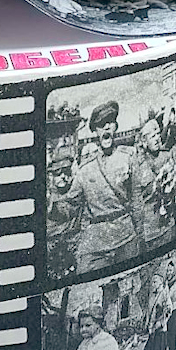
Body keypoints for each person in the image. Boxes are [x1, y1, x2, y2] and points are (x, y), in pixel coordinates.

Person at [55, 101, 144, 274]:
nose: (106, 128)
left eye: (110, 123)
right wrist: (52, 206)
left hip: (125, 237)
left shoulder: (127, 157)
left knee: (130, 282)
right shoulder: (85, 168)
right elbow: (71, 206)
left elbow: (136, 199)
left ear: (115, 127)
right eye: (101, 125)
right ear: (95, 131)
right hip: (96, 242)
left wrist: (140, 235)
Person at [46, 103, 84, 282]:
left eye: (66, 171)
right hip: (50, 244)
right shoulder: (47, 190)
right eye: (57, 173)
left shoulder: (74, 187)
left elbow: (71, 208)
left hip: (72, 241)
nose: (63, 176)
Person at [136, 113, 176, 251]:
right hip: (150, 230)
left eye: (158, 134)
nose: (157, 139)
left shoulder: (166, 156)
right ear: (144, 141)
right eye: (153, 136)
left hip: (168, 223)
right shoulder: (138, 165)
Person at [139, 271, 172, 350]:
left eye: (155, 281)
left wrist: (161, 323)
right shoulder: (152, 295)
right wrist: (148, 325)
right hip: (152, 330)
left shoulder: (164, 293)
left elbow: (168, 309)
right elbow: (149, 312)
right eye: (152, 282)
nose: (152, 284)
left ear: (160, 283)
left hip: (160, 330)